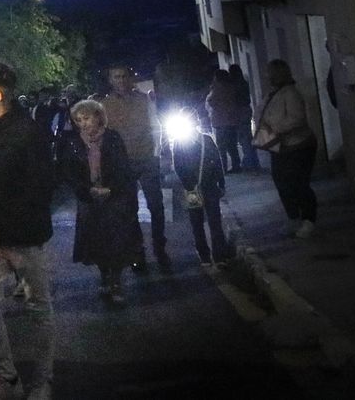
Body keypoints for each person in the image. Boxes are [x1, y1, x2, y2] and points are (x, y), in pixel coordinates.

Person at [0, 61, 54, 400]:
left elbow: (39, 188)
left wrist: (3, 222)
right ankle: (8, 378)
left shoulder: (29, 132)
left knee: (38, 308)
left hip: (25, 238)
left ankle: (43, 380)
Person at [58, 99, 139, 306]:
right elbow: (69, 171)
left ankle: (116, 281)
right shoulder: (74, 142)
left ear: (98, 117)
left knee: (116, 240)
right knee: (96, 241)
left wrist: (111, 188)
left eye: (86, 118)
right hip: (89, 198)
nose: (82, 124)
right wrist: (86, 190)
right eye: (78, 120)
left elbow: (123, 167)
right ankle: (104, 274)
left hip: (114, 196)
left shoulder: (112, 138)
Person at [96, 64, 170, 272]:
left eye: (123, 76)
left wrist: (160, 153)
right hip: (122, 165)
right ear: (110, 80)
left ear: (130, 78)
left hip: (147, 159)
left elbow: (156, 126)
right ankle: (138, 253)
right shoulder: (104, 105)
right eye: (116, 77)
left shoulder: (144, 100)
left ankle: (160, 248)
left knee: (156, 206)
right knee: (129, 211)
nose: (120, 80)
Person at [254, 59, 318, 238]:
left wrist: (275, 130)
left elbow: (297, 119)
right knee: (282, 182)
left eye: (270, 72)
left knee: (298, 183)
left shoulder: (290, 93)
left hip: (298, 146)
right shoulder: (274, 93)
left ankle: (308, 220)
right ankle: (293, 217)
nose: (268, 76)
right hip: (280, 146)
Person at [169, 122, 231, 263]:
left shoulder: (182, 142)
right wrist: (221, 182)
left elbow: (178, 166)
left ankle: (207, 256)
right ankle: (217, 255)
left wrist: (188, 184)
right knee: (210, 221)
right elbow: (217, 161)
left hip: (195, 189)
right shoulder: (205, 140)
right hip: (206, 186)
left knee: (200, 222)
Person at [205, 69, 248, 173]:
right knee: (232, 146)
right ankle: (236, 166)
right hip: (232, 119)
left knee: (221, 147)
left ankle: (223, 167)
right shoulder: (231, 87)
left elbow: (211, 101)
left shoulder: (217, 88)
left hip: (220, 121)